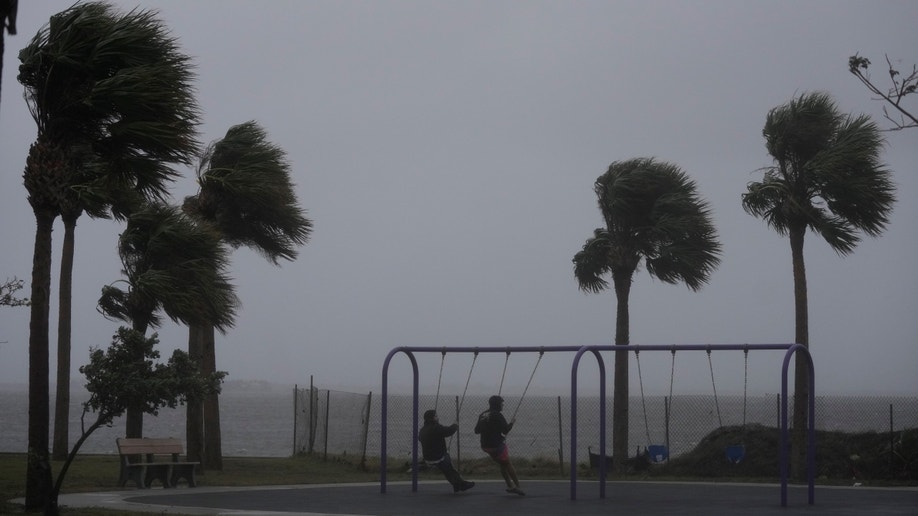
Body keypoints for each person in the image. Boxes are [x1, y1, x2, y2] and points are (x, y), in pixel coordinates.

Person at [474, 395, 524, 495]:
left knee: (502, 463)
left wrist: (488, 427)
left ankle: (510, 486)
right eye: (502, 404)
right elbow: (505, 430)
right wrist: (512, 423)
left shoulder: (483, 414)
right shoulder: (497, 415)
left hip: (485, 446)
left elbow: (476, 431)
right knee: (507, 463)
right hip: (496, 446)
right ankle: (518, 486)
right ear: (497, 405)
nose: (503, 405)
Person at [418, 409, 475, 493]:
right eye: (436, 416)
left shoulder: (422, 430)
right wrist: (455, 424)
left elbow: (422, 439)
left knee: (446, 470)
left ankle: (456, 484)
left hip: (427, 458)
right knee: (450, 468)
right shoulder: (436, 427)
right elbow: (449, 431)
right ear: (432, 418)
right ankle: (462, 484)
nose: (438, 417)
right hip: (438, 457)